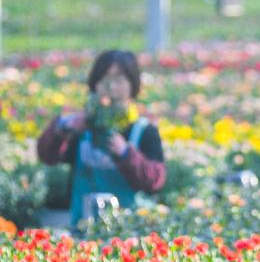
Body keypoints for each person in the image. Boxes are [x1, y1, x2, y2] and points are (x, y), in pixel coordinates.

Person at [37, 49, 166, 229]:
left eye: (119, 80)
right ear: (94, 84)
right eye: (104, 80)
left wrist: (126, 154)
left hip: (130, 233)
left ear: (133, 85)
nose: (111, 87)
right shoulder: (82, 128)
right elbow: (47, 156)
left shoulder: (144, 131)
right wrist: (62, 129)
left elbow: (156, 181)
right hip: (82, 226)